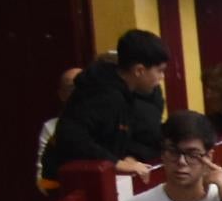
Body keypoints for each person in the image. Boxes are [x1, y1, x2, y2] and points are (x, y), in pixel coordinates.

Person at [44, 28, 165, 181]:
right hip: (66, 181)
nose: (162, 77)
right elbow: (72, 137)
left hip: (98, 178)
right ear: (139, 70)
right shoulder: (100, 92)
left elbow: (139, 135)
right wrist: (116, 162)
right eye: (160, 71)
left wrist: (129, 156)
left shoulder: (133, 94)